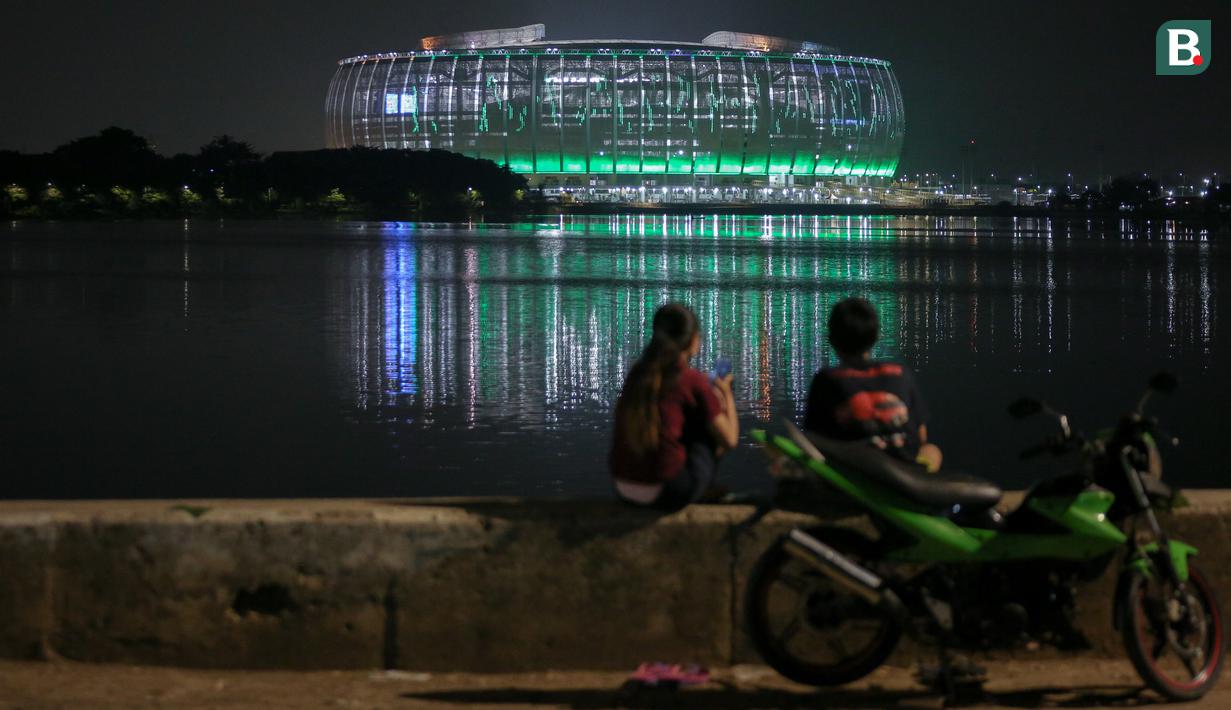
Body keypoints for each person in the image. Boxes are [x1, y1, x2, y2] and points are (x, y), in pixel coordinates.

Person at [609, 303, 739, 511]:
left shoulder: (639, 373)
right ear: (693, 340)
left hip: (623, 486)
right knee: (707, 428)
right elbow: (730, 439)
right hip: (667, 490)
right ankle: (703, 487)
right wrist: (725, 394)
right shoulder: (692, 380)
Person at [804, 297, 943, 472]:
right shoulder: (900, 373)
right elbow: (921, 435)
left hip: (857, 467)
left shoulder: (826, 378)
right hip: (904, 469)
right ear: (876, 336)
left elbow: (813, 439)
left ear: (832, 339)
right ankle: (922, 483)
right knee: (932, 451)